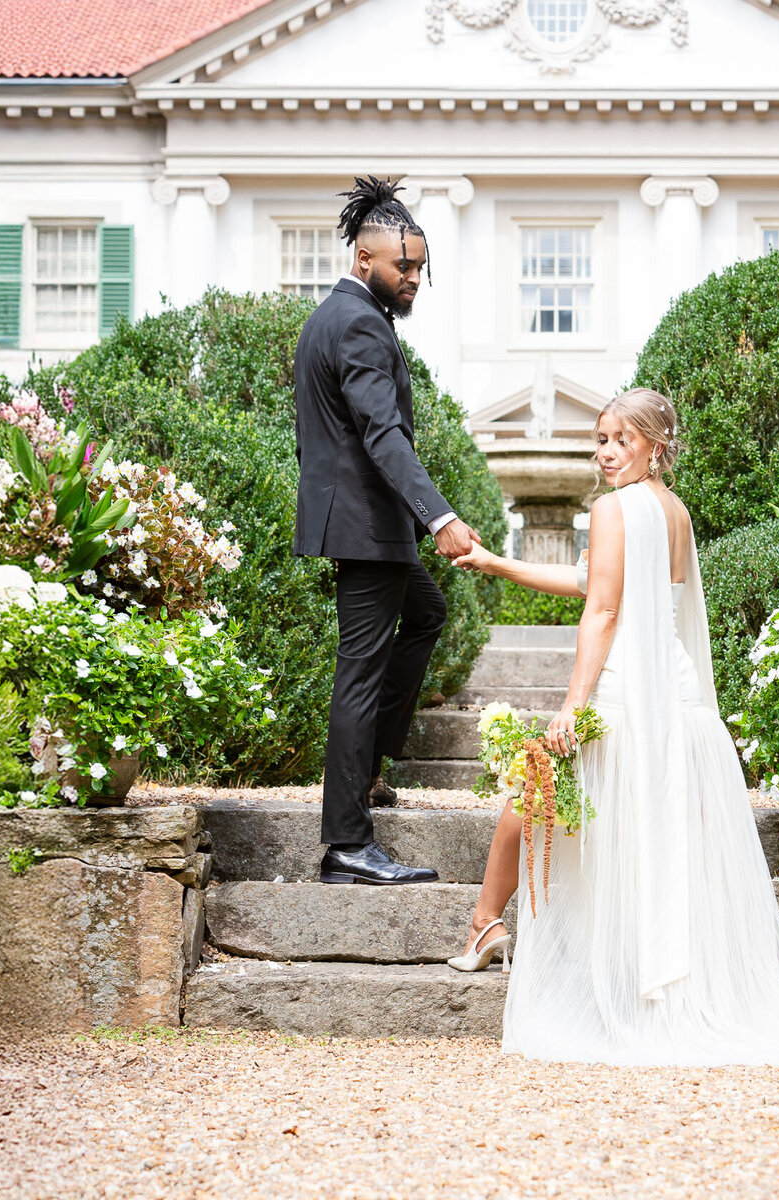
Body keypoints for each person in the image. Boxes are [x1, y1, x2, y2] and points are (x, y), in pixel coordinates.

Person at [447, 388, 779, 1065]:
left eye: (621, 439)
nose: (606, 451)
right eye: (601, 439)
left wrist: (571, 704)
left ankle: (489, 926)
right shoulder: (675, 513)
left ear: (656, 446)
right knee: (592, 816)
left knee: (535, 793)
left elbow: (603, 613)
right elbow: (595, 582)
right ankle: (502, 929)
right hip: (675, 696)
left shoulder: (613, 510)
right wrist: (496, 562)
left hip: (621, 692)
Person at [293, 176, 483, 886]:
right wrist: (441, 516)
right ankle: (347, 843)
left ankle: (368, 772)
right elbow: (383, 436)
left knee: (427, 613)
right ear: (364, 256)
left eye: (420, 270)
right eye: (404, 267)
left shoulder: (335, 317)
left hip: (363, 524)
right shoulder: (361, 323)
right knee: (360, 674)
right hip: (368, 527)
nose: (413, 280)